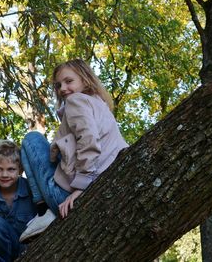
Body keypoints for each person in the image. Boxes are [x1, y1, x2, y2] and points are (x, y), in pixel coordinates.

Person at [19, 58, 129, 242]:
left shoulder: (76, 101)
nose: (62, 89)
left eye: (69, 81)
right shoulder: (99, 105)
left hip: (71, 195)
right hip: (100, 188)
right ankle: (45, 211)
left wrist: (80, 188)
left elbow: (88, 140)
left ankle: (44, 211)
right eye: (58, 85)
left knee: (31, 139)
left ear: (85, 80)